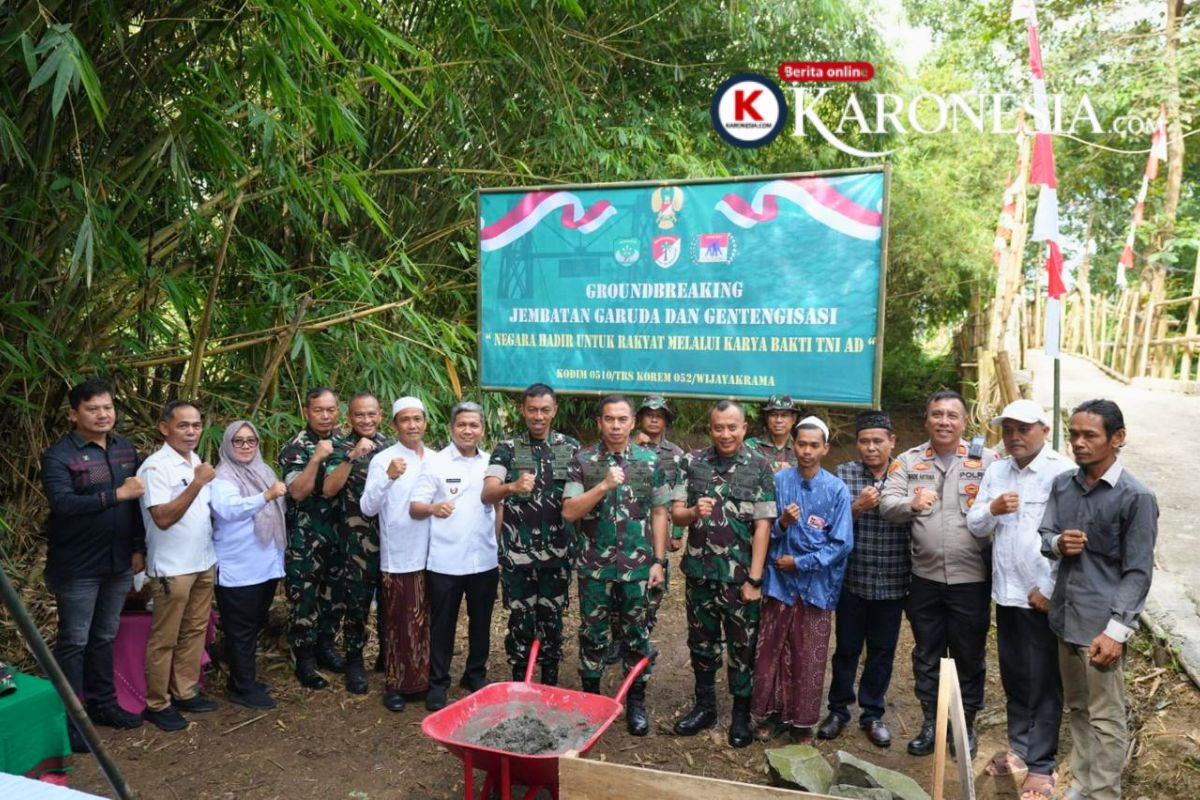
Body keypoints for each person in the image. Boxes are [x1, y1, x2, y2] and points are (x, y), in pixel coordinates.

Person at [1039, 400, 1157, 800]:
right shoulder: (1062, 485)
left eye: (1090, 435)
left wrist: (1116, 632)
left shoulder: (1136, 497)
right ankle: (1084, 783)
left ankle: (1103, 792)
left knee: (1106, 717)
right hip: (1065, 618)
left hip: (1102, 628)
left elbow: (1138, 572)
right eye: (1073, 434)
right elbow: (1045, 537)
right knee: (1078, 707)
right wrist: (1058, 543)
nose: (1078, 443)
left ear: (1117, 438)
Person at [881, 389, 998, 758]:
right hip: (925, 579)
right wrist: (909, 503)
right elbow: (886, 504)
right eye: (937, 414)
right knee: (928, 654)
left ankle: (964, 727)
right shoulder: (908, 460)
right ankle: (931, 722)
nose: (944, 421)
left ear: (965, 422)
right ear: (926, 419)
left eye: (952, 415)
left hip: (972, 580)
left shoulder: (989, 461)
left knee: (969, 655)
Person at [967, 399, 1074, 798]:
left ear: (1044, 430)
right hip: (1007, 592)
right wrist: (992, 508)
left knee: (1045, 679)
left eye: (1023, 429)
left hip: (1042, 595)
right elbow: (976, 525)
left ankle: (1042, 766)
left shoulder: (1062, 473)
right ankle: (1020, 749)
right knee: (1015, 674)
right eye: (1008, 429)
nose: (1014, 436)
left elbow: (1072, 538)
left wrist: (1049, 590)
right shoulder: (996, 470)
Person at [41, 379, 146, 750]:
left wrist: (137, 547)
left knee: (104, 637)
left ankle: (103, 705)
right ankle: (70, 721)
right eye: (93, 408)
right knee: (74, 641)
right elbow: (64, 504)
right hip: (77, 565)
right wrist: (116, 494)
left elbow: (135, 508)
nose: (103, 415)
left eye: (108, 407)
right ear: (74, 414)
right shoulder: (59, 456)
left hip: (118, 561)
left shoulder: (124, 449)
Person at [563, 395, 669, 736]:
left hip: (638, 569)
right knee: (593, 635)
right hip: (595, 568)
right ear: (600, 422)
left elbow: (659, 513)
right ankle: (592, 702)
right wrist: (604, 484)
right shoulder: (582, 461)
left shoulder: (651, 462)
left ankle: (635, 702)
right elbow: (570, 511)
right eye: (609, 419)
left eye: (622, 419)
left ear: (632, 422)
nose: (616, 425)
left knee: (637, 636)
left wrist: (659, 561)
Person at [671, 400, 773, 748]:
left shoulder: (760, 467)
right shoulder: (693, 462)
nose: (725, 434)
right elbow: (676, 517)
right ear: (710, 429)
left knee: (742, 649)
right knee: (701, 644)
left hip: (740, 579)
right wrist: (692, 512)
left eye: (732, 427)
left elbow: (763, 527)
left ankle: (741, 715)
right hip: (700, 574)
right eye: (718, 427)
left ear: (744, 428)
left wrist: (755, 580)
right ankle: (705, 707)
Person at [752, 416, 852, 742]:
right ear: (793, 445)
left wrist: (802, 562)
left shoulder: (836, 489)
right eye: (801, 444)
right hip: (779, 583)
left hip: (816, 586)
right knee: (773, 651)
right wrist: (782, 522)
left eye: (814, 445)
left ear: (825, 448)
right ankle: (773, 714)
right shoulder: (779, 482)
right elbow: (766, 530)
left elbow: (841, 543)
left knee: (809, 653)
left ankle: (803, 722)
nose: (806, 451)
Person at [819, 410, 911, 748]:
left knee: (882, 652)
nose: (870, 448)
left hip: (892, 581)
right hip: (852, 582)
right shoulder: (844, 475)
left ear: (892, 442)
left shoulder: (907, 475)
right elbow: (827, 527)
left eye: (877, 441)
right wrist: (856, 507)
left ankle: (872, 714)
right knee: (846, 649)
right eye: (864, 441)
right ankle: (838, 710)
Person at [482, 384, 580, 686]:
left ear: (554, 411)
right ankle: (518, 682)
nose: (539, 416)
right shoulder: (506, 448)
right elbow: (487, 493)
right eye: (533, 409)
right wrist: (511, 486)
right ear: (522, 410)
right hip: (518, 555)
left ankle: (549, 680)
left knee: (552, 620)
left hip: (558, 553)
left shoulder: (571, 447)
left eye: (545, 410)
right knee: (521, 621)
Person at [410, 401, 498, 711]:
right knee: (443, 624)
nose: (468, 430)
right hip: (445, 561)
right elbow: (415, 506)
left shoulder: (492, 463)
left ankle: (475, 675)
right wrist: (434, 507)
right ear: (451, 428)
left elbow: (498, 506)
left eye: (474, 425)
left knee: (481, 622)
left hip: (485, 560)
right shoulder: (435, 464)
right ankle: (438, 683)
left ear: (482, 430)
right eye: (462, 424)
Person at [138, 400, 218, 732]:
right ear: (165, 427)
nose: (191, 432)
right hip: (173, 566)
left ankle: (185, 690)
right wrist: (198, 482)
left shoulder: (195, 460)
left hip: (203, 560)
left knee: (196, 629)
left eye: (196, 425)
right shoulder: (155, 467)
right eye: (183, 425)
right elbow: (163, 518)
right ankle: (158, 703)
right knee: (165, 636)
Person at [210, 420, 288, 711]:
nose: (245, 446)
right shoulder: (222, 477)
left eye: (251, 441)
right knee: (240, 628)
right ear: (228, 444)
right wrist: (266, 495)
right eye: (238, 441)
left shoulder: (263, 470)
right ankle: (242, 688)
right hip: (238, 566)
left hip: (265, 564)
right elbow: (228, 510)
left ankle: (242, 680)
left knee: (252, 625)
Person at [360, 397, 431, 712]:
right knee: (398, 623)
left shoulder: (436, 458)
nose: (412, 425)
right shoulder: (383, 459)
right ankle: (396, 685)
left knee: (427, 621)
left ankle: (426, 681)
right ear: (394, 425)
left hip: (435, 554)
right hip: (399, 555)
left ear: (425, 423)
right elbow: (367, 507)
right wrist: (388, 477)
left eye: (417, 419)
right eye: (405, 420)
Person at [321, 392, 394, 694]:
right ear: (349, 417)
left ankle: (387, 657)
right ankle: (354, 661)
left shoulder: (393, 446)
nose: (366, 420)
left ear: (380, 415)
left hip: (392, 540)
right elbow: (328, 489)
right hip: (356, 542)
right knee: (356, 604)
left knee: (391, 602)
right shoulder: (338, 447)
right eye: (359, 415)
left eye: (371, 414)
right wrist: (352, 456)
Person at [278, 387, 344, 688]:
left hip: (340, 534)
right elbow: (297, 491)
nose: (326, 415)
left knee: (334, 596)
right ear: (307, 411)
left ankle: (326, 647)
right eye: (319, 410)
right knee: (304, 598)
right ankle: (304, 658)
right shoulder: (295, 447)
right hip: (305, 537)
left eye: (330, 409)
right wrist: (316, 459)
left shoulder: (346, 441)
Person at [745, 395, 799, 473]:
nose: (779, 420)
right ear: (767, 418)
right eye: (773, 415)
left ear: (793, 419)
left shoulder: (800, 449)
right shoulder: (751, 446)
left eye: (784, 415)